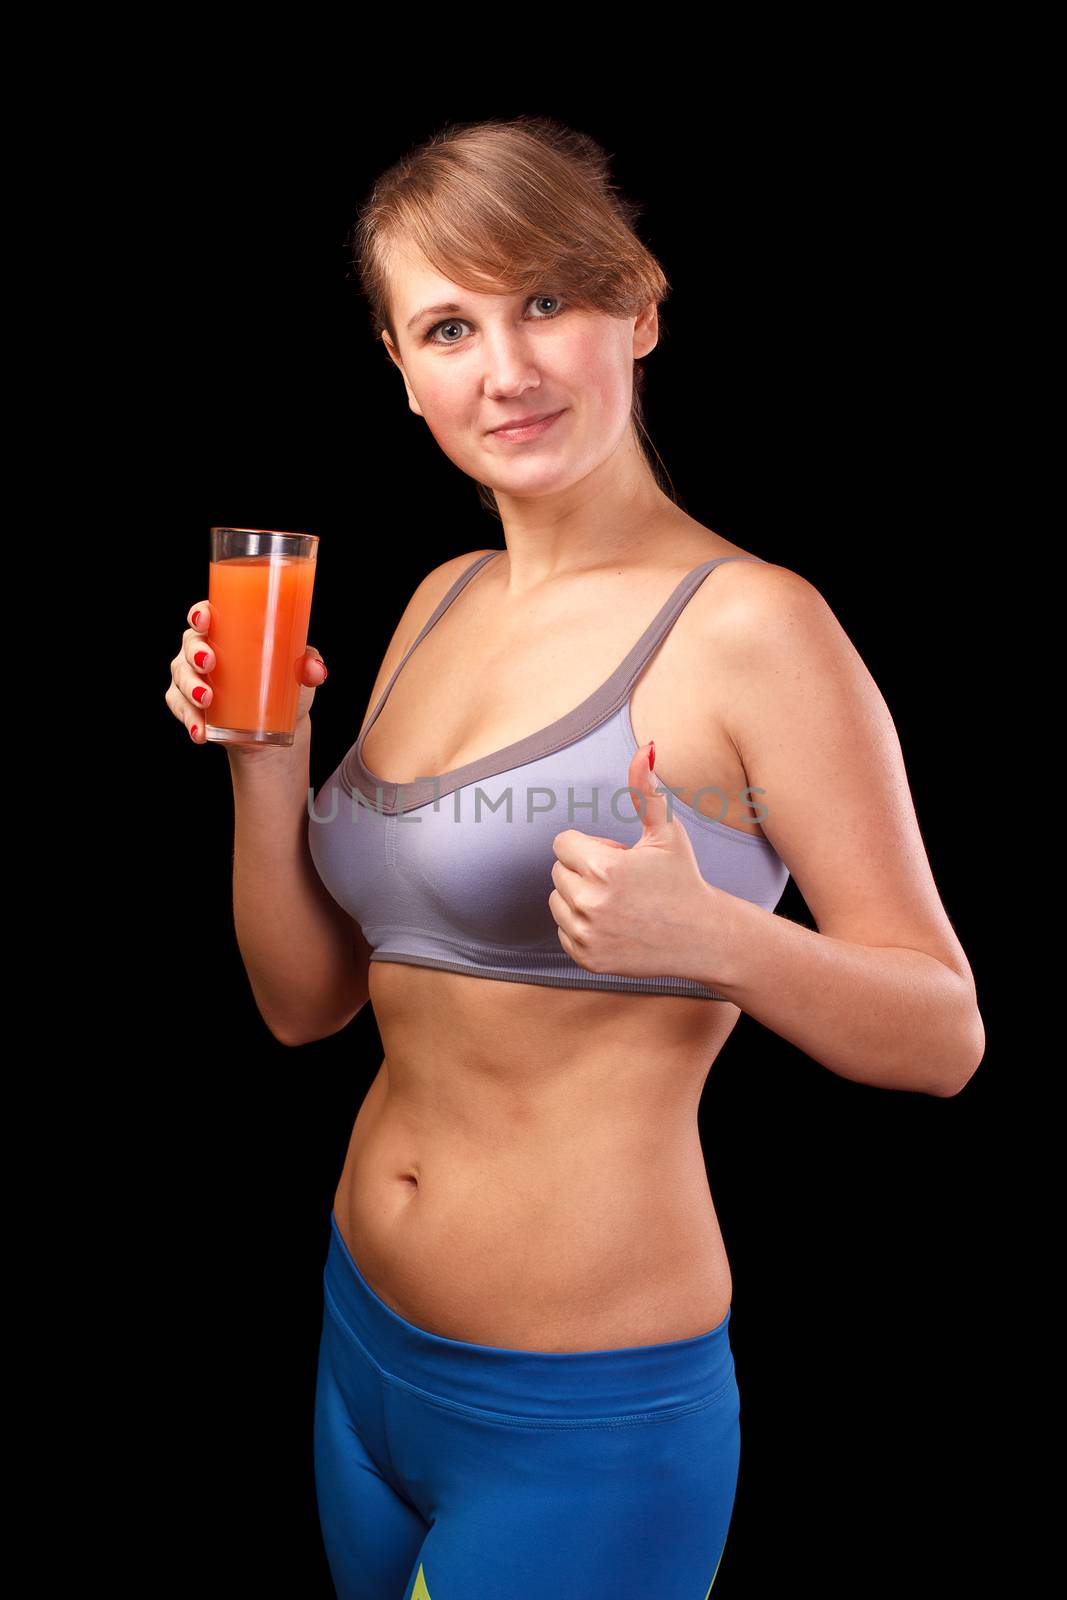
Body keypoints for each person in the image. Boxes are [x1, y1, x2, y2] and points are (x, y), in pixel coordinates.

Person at [166, 116, 985, 1600]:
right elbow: (306, 1005)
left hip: (583, 1416)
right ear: (402, 372)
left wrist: (724, 938)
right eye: (450, 325)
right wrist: (264, 761)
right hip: (363, 1350)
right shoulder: (436, 598)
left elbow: (946, 1034)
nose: (509, 369)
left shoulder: (756, 628)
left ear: (640, 307)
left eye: (547, 301)